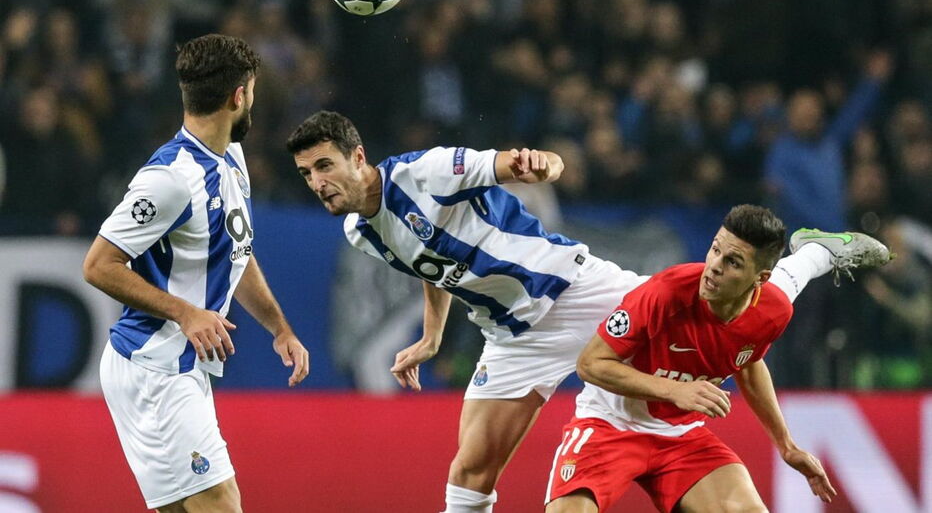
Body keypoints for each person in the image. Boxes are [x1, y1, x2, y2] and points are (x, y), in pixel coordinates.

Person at [286, 110, 649, 513]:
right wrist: (431, 335)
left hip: (573, 291)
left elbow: (522, 162)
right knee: (469, 477)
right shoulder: (359, 232)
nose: (317, 183)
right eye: (306, 174)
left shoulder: (427, 172)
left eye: (324, 166)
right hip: (512, 337)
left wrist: (545, 164)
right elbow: (428, 263)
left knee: (696, 310)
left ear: (357, 157)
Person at [83, 34, 310, 513]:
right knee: (223, 503)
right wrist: (186, 312)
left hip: (182, 368)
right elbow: (99, 264)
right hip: (153, 367)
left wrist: (279, 328)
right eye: (254, 94)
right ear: (240, 95)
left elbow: (237, 252)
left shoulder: (232, 158)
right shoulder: (170, 178)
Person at [545, 206, 892, 512]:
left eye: (733, 262)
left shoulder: (772, 310)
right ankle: (820, 251)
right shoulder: (665, 293)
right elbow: (590, 364)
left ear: (759, 279)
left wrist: (786, 446)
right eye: (714, 250)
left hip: (681, 435)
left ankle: (818, 248)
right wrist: (672, 390)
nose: (713, 267)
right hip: (611, 423)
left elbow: (749, 363)